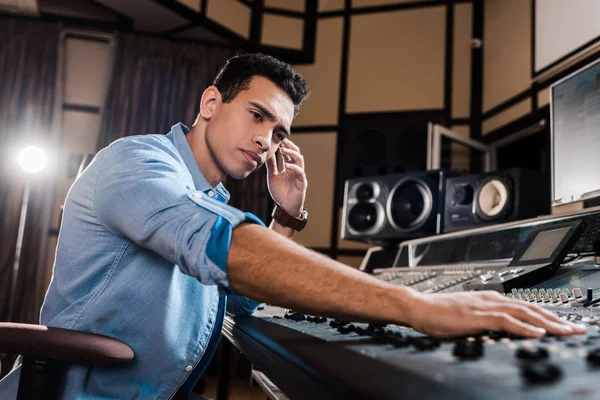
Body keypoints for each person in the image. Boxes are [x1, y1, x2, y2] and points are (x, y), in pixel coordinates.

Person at [0, 53, 585, 399]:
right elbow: (223, 247)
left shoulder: (212, 198)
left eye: (279, 131)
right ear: (210, 103)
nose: (266, 140)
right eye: (257, 116)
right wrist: (418, 307)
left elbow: (245, 293)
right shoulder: (137, 163)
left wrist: (285, 216)